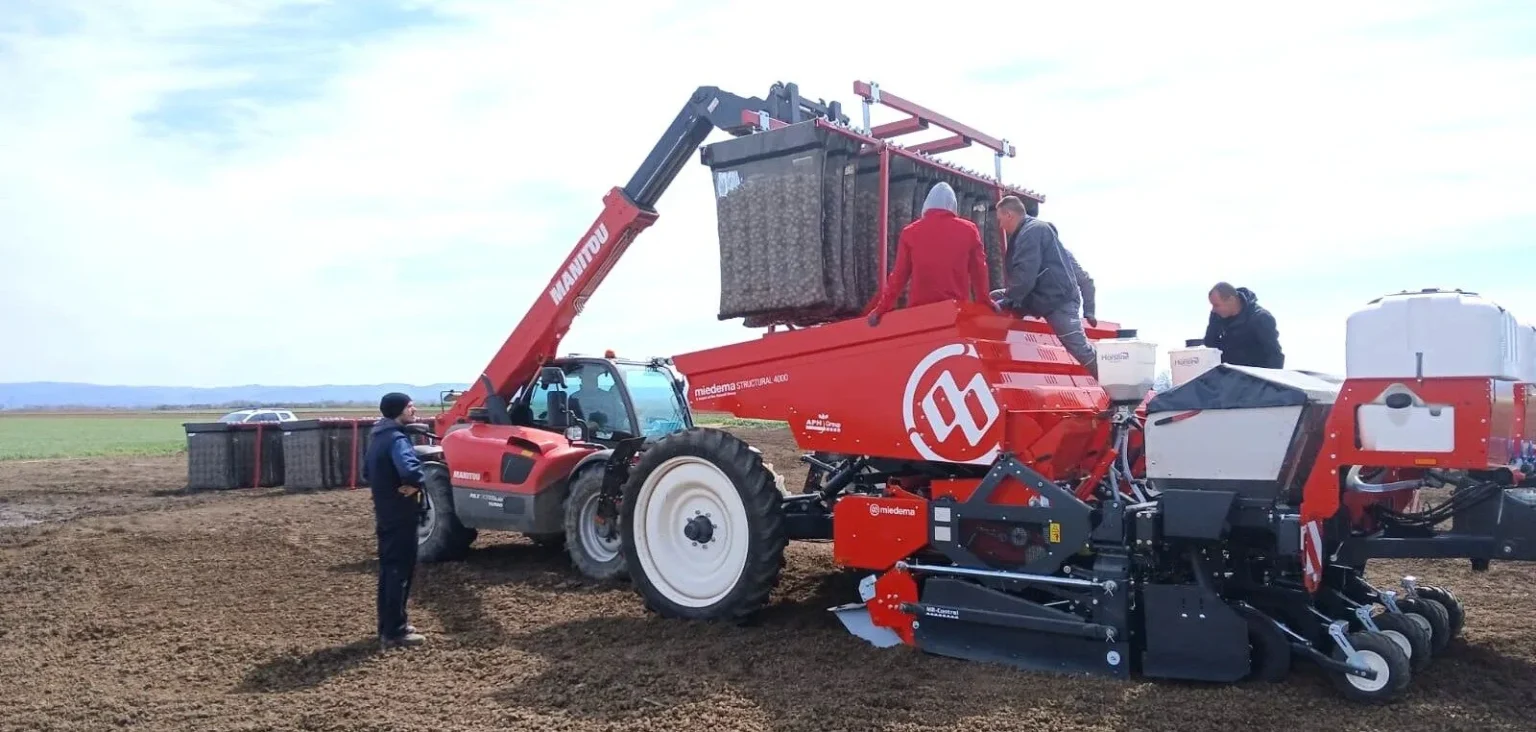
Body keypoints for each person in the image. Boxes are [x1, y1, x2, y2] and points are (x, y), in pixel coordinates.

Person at [989, 195, 1099, 379]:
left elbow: (1025, 274)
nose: (1000, 225)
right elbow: (1085, 281)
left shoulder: (1032, 233)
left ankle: (1117, 385)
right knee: (994, 296)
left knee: (1079, 348)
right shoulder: (1034, 234)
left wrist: (1008, 300)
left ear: (1009, 215)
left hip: (1057, 302)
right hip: (1042, 297)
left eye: (1000, 219)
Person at [866, 181, 993, 326]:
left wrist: (881, 309)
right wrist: (985, 301)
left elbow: (899, 276)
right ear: (953, 205)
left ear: (926, 205)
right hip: (956, 312)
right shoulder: (969, 230)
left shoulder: (910, 232)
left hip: (920, 313)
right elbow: (979, 270)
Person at [363, 392, 427, 651]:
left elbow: (366, 473)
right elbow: (410, 470)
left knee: (389, 570)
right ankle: (395, 632)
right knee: (399, 571)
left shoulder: (377, 437)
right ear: (399, 410)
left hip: (385, 511)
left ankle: (389, 625)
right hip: (401, 513)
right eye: (410, 407)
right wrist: (416, 483)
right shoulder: (397, 439)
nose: (414, 410)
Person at [1203, 282, 1285, 368]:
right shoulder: (1218, 315)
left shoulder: (1261, 318)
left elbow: (1275, 356)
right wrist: (1214, 321)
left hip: (1253, 373)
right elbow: (1210, 343)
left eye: (1216, 305)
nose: (1213, 310)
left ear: (1231, 300)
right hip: (1228, 372)